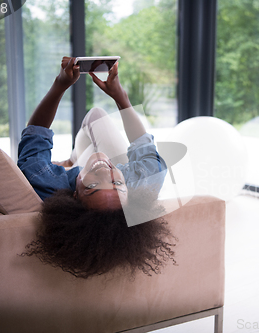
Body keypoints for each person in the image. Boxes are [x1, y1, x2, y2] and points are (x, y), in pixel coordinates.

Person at [18, 57, 176, 279]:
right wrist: (119, 95)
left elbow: (35, 134)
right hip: (111, 164)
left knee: (95, 118)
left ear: (74, 194)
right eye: (116, 182)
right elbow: (143, 143)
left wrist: (59, 85)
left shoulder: (47, 182)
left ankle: (73, 162)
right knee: (96, 114)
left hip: (81, 169)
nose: (104, 172)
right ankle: (74, 160)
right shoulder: (145, 179)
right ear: (127, 189)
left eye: (92, 185)